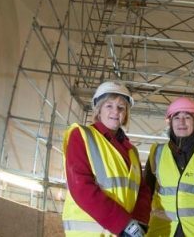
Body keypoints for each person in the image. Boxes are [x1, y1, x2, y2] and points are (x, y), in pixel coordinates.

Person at [62, 81, 151, 236]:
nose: (115, 112)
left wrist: (139, 222)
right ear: (98, 110)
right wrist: (124, 224)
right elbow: (82, 187)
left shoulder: (131, 151)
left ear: (126, 115)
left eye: (121, 107)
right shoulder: (82, 136)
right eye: (109, 106)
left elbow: (141, 190)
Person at [145, 97, 194, 236]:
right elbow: (146, 193)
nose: (181, 122)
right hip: (163, 230)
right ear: (170, 123)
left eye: (187, 117)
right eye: (176, 117)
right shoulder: (156, 153)